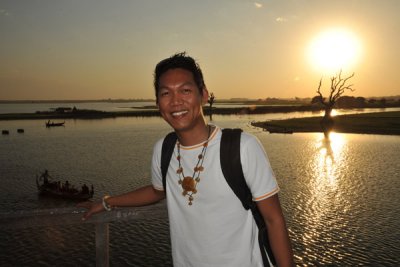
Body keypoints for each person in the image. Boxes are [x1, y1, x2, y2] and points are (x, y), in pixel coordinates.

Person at [78, 52, 294, 266]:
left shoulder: (242, 147)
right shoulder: (163, 149)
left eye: (185, 90)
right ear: (157, 103)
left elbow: (274, 221)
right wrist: (108, 202)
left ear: (204, 95)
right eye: (166, 93)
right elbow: (157, 190)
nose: (176, 102)